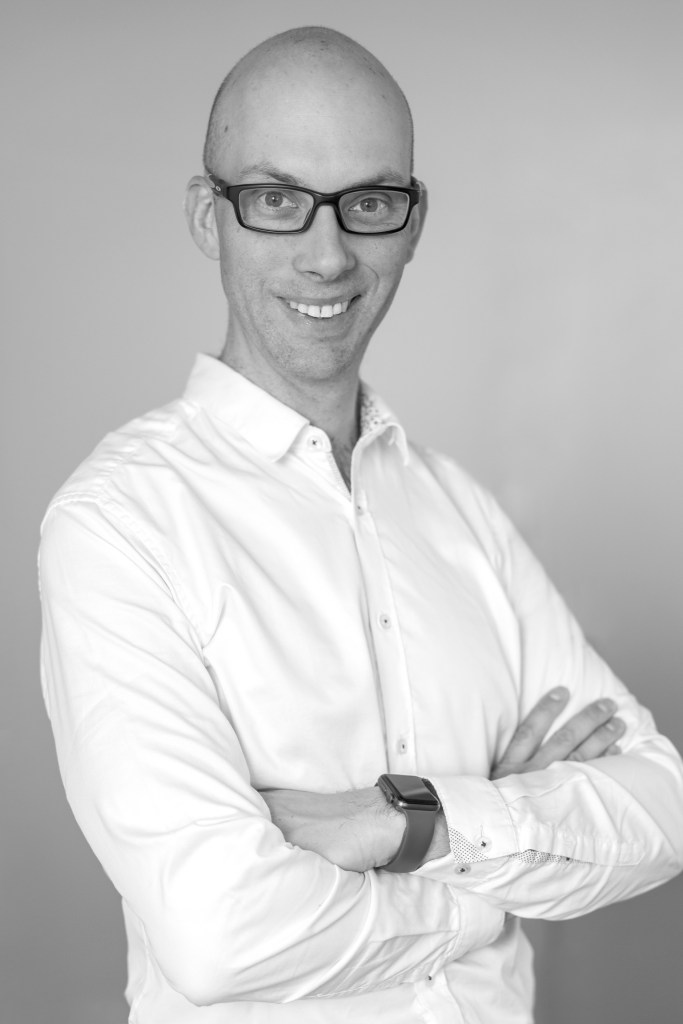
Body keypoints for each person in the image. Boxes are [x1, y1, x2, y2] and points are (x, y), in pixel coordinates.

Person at [39, 26, 683, 1024]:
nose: (328, 253)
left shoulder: (457, 510)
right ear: (208, 217)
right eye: (276, 200)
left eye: (369, 203)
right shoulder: (119, 522)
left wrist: (400, 821)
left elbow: (660, 811)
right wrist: (485, 859)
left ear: (411, 223)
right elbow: (219, 936)